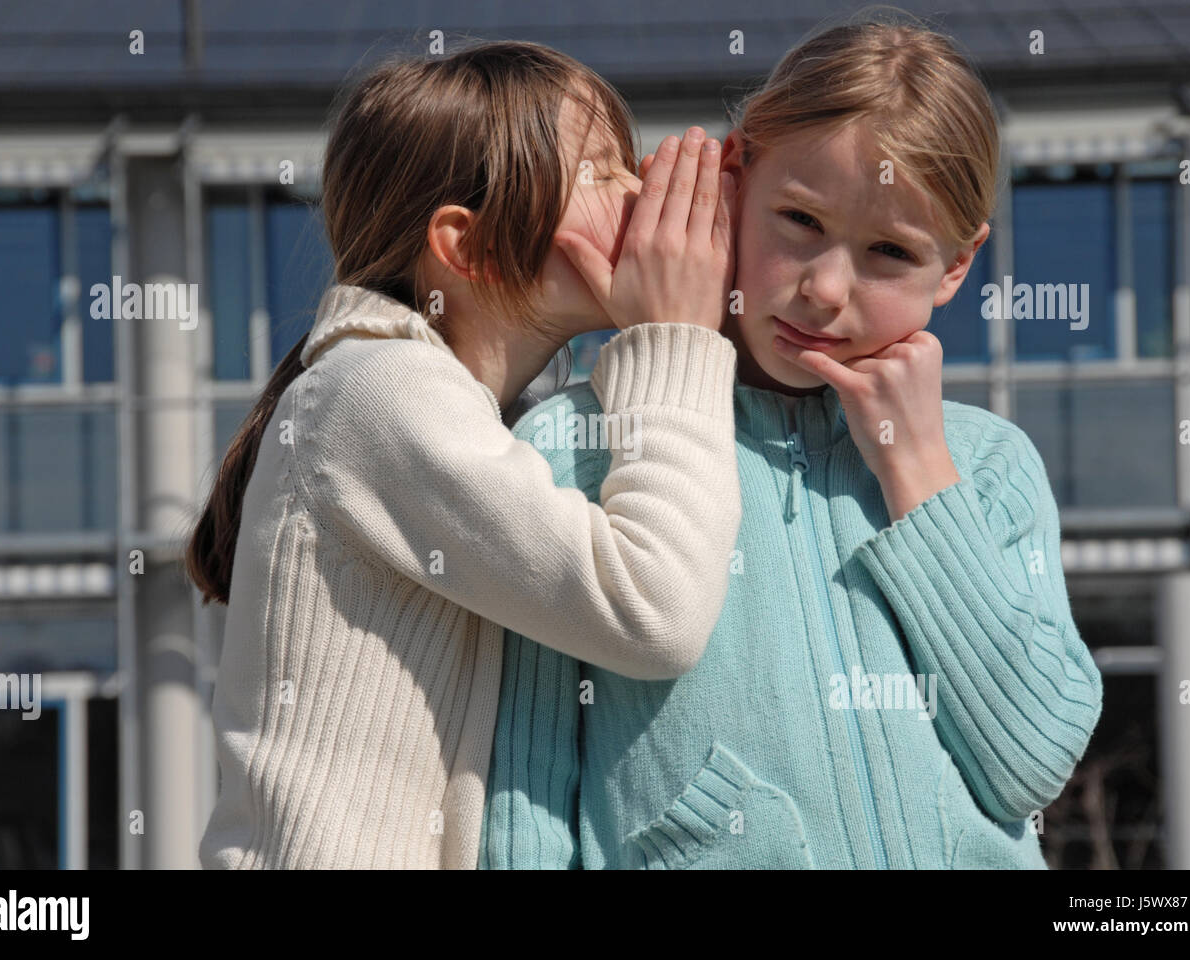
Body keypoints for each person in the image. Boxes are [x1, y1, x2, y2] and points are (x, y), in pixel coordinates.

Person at [481, 19, 1104, 869]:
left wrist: (920, 476)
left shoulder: (988, 468)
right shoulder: (579, 447)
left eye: (890, 251)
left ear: (957, 268)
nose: (825, 290)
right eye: (800, 221)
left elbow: (1029, 760)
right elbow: (526, 793)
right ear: (734, 176)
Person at [187, 39, 742, 869]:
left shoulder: (424, 399)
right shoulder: (383, 388)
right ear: (467, 246)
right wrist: (679, 341)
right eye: (597, 172)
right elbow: (652, 607)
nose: (637, 193)